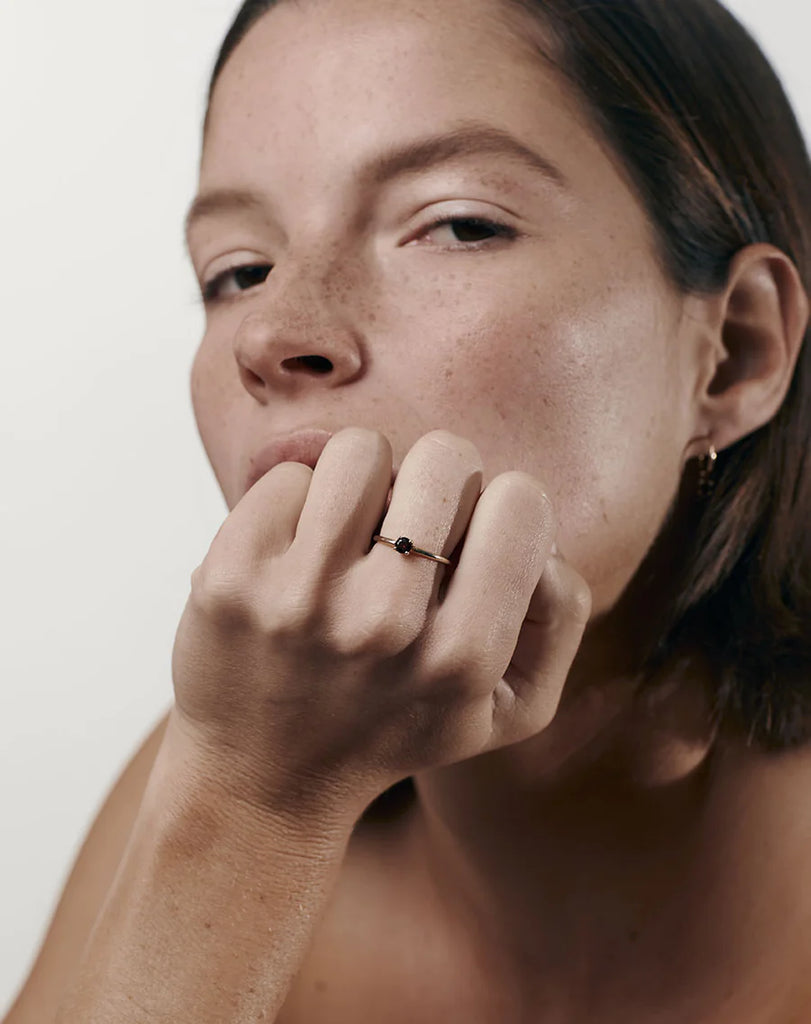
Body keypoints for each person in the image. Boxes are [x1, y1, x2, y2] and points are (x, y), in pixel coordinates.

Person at [6, 0, 811, 1020]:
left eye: (458, 224)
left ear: (733, 351)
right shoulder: (229, 760)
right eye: (237, 271)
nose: (275, 332)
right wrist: (255, 809)